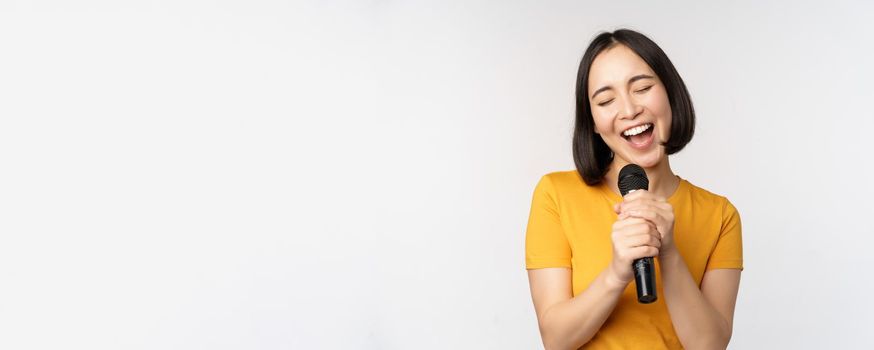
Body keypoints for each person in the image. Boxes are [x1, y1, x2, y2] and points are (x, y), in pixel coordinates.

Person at [525, 29, 743, 349]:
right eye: (606, 100)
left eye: (641, 88)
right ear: (594, 123)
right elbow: (556, 339)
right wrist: (615, 274)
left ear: (669, 92)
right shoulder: (555, 195)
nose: (629, 110)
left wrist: (668, 251)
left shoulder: (720, 215)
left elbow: (710, 345)